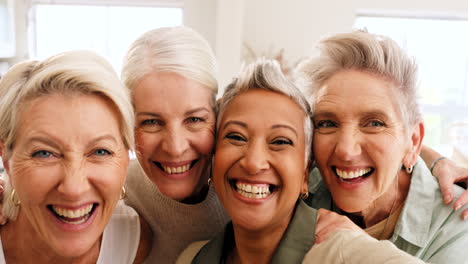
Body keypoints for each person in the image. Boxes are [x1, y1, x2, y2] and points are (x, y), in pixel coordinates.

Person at [178, 59, 424, 264]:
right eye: (236, 137)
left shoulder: (346, 255)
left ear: (306, 174)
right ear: (213, 158)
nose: (253, 163)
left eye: (281, 141)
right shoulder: (191, 257)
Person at [296, 30, 468, 263]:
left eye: (375, 123)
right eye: (327, 123)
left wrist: (359, 250)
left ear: (414, 141)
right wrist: (436, 159)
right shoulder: (300, 190)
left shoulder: (457, 223)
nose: (346, 150)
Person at [0, 50, 150, 263]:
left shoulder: (132, 240)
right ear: (7, 160)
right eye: (44, 153)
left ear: (127, 159)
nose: (73, 189)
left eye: (100, 151)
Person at [121, 26, 229, 262]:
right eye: (151, 122)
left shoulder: (248, 190)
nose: (175, 147)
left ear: (219, 113)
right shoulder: (110, 197)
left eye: (194, 120)